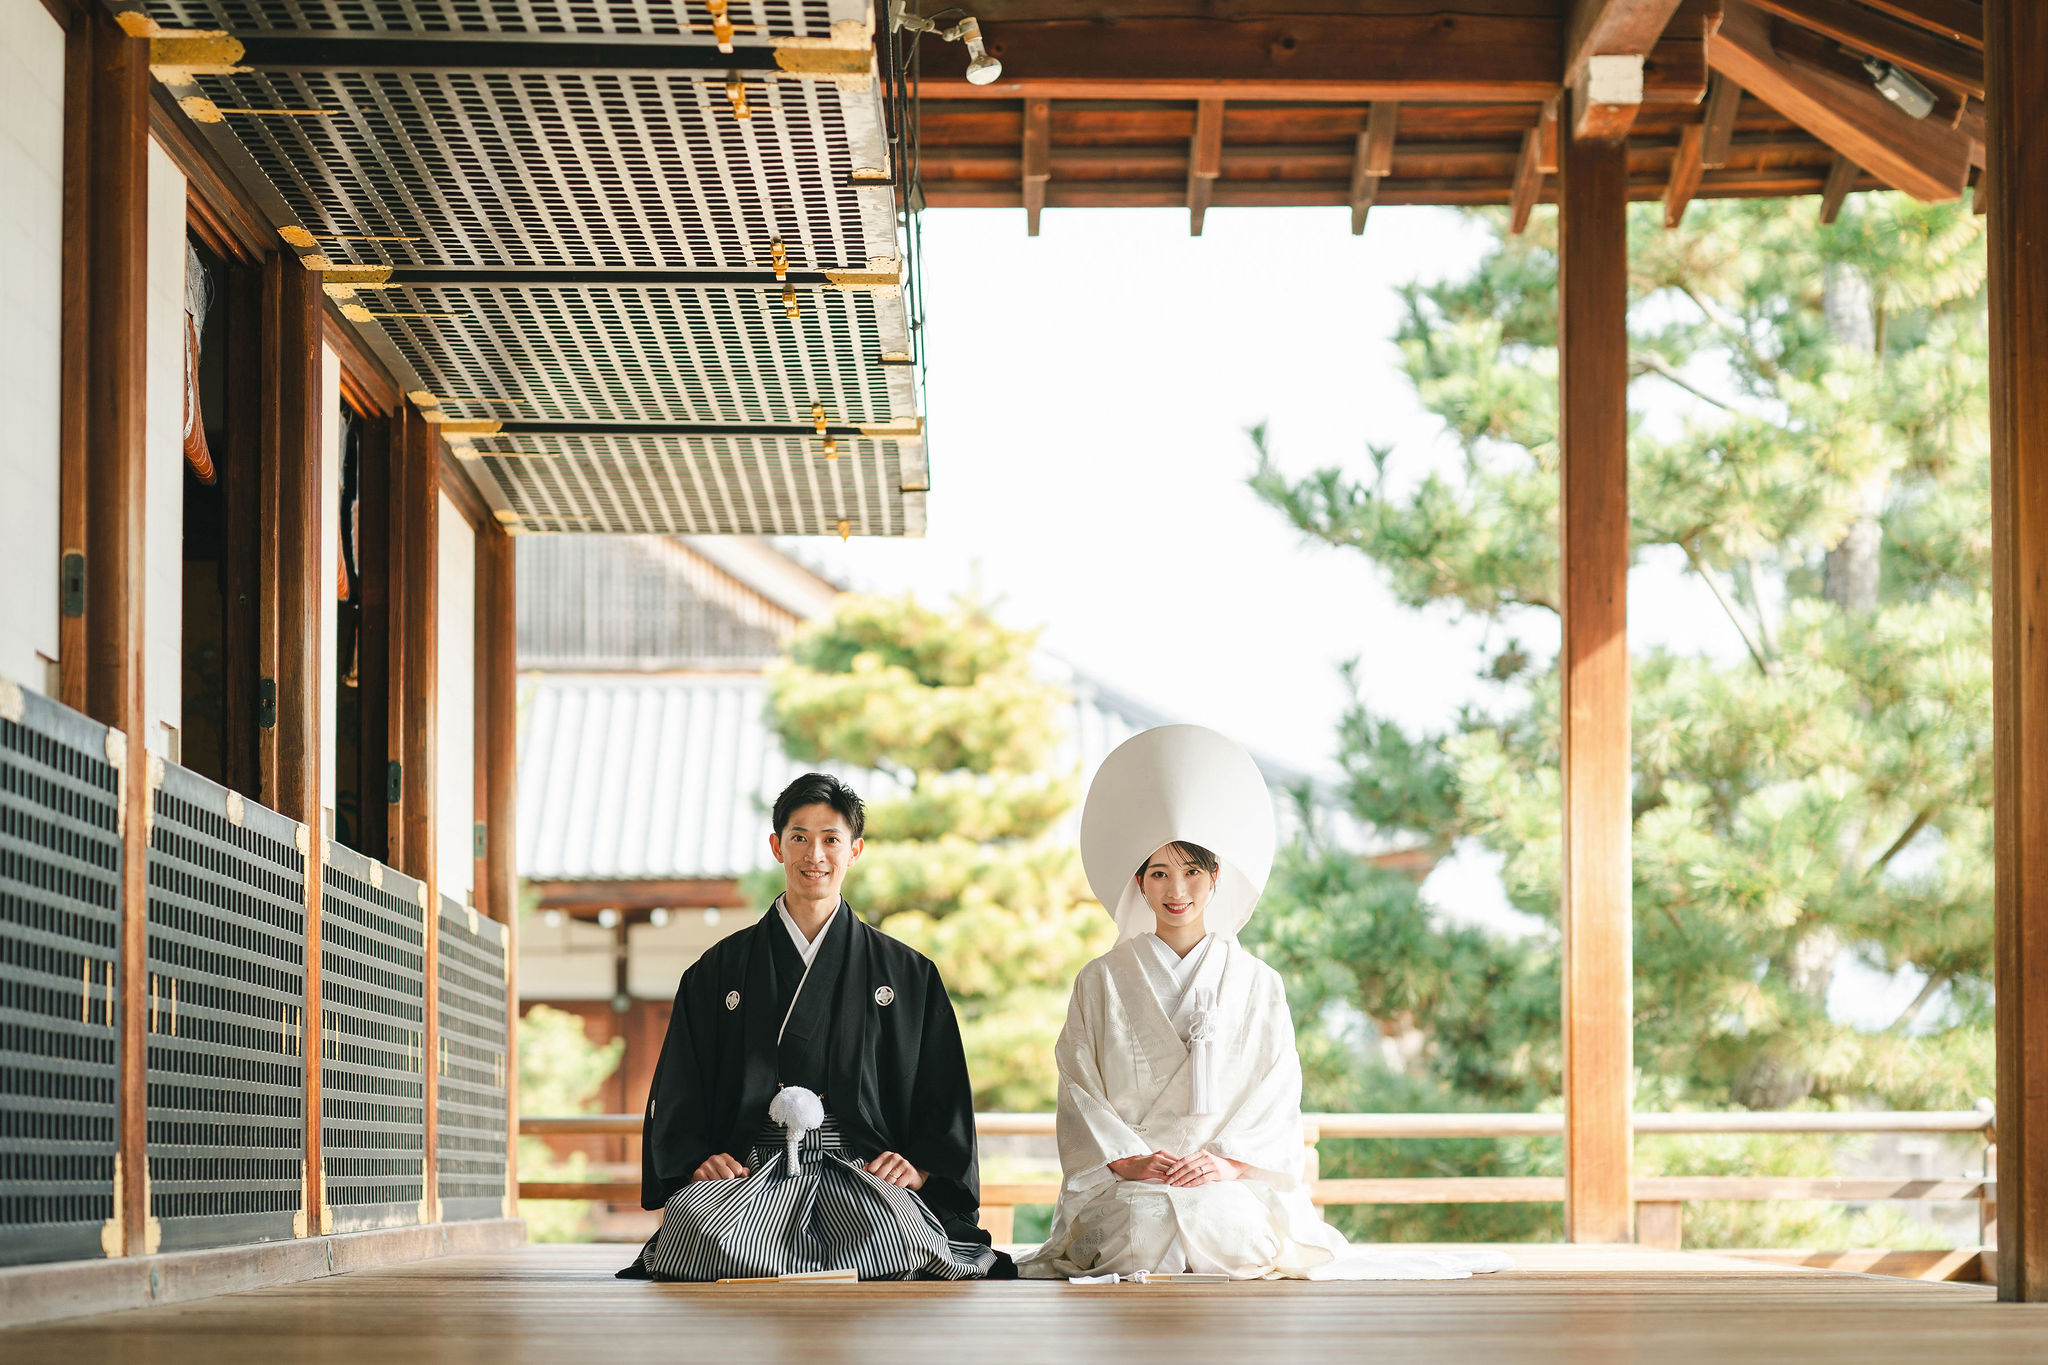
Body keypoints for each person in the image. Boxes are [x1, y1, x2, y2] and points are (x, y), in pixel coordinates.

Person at [1019, 725, 1511, 1282]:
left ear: (1215, 878)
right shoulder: (1101, 979)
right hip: (1130, 1179)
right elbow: (1079, 1083)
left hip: (1224, 1178)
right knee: (1137, 1233)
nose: (1176, 890)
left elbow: (1277, 1088)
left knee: (1232, 1234)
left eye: (1191, 872)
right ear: (1139, 882)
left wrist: (1223, 1162)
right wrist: (1133, 1161)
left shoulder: (1258, 981)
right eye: (1159, 873)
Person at [620, 772, 1007, 1281]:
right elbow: (681, 1082)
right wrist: (696, 1158)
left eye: (831, 839)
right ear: (778, 847)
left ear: (856, 850)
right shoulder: (720, 970)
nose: (815, 855)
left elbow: (942, 1089)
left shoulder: (907, 973)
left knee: (899, 1237)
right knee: (700, 1233)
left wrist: (923, 1165)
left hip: (860, 1168)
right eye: (799, 837)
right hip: (751, 1169)